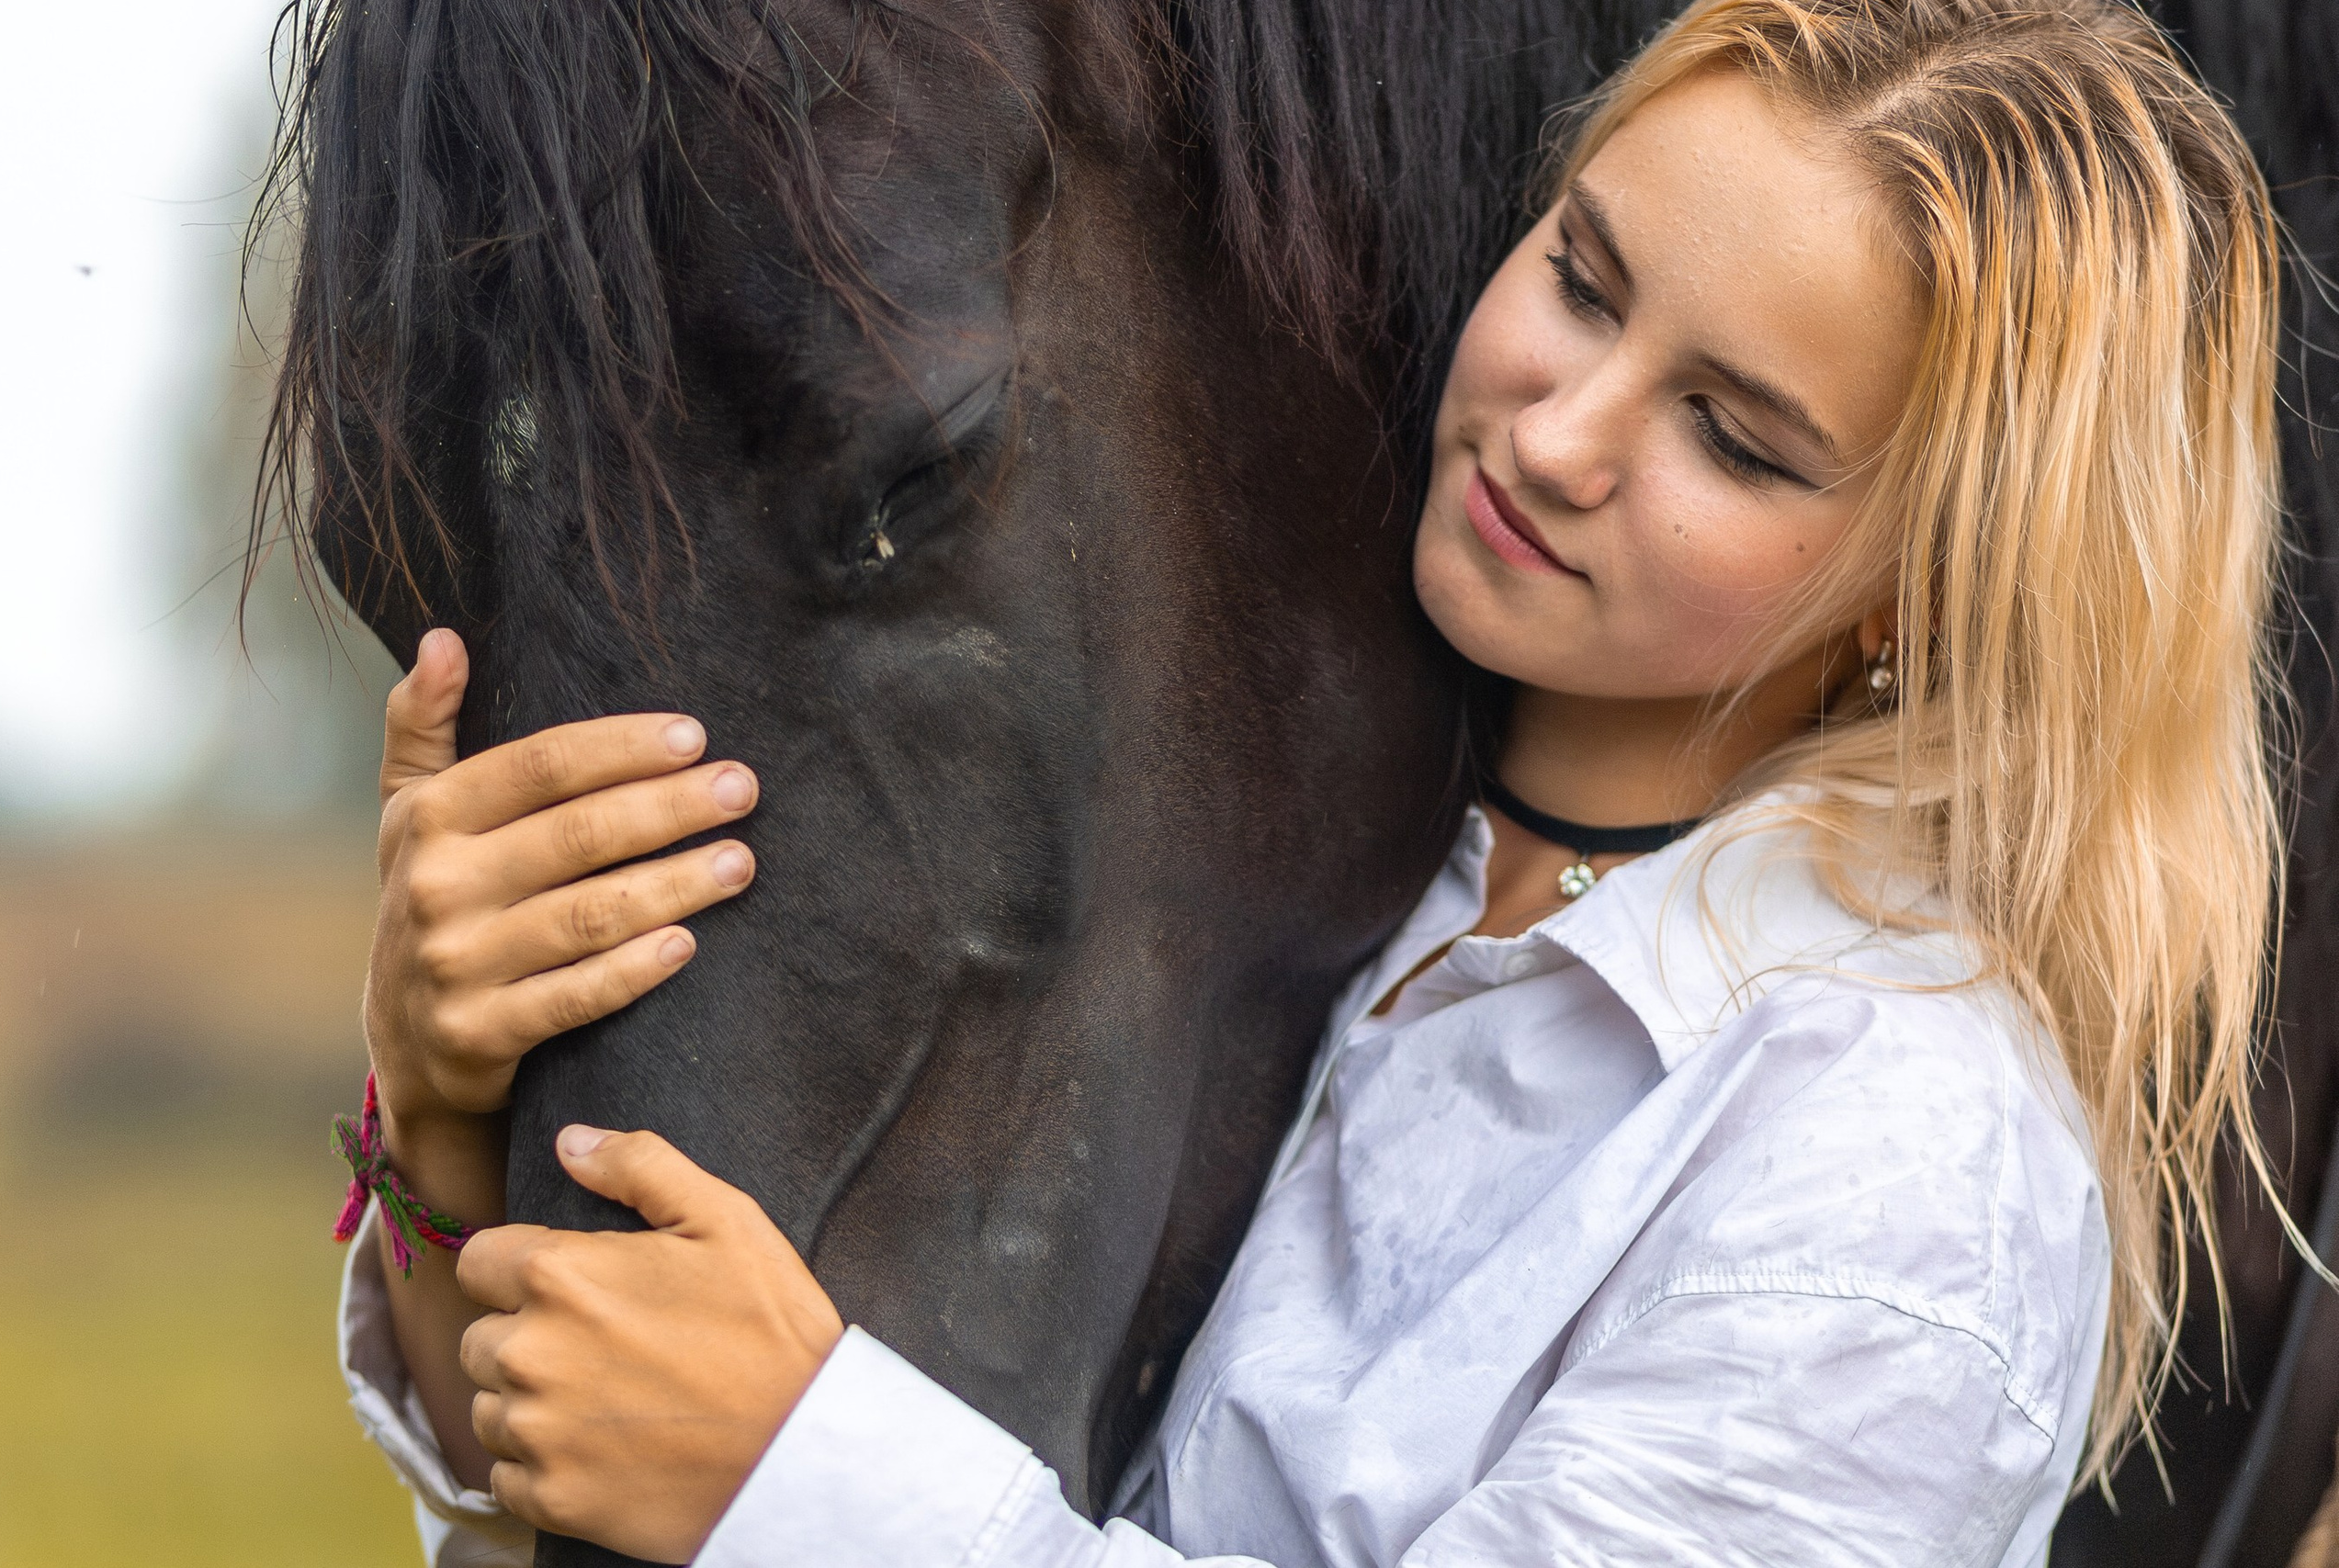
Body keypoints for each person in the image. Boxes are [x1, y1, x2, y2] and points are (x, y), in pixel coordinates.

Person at [333, 0, 2293, 1562]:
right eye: (1585, 283)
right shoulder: (1344, 875)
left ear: (1918, 583)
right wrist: (438, 1116)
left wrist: (813, 1485)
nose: (1560, 430)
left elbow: (778, 1484)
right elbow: (580, 1500)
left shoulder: (1892, 1157)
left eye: (1735, 437)